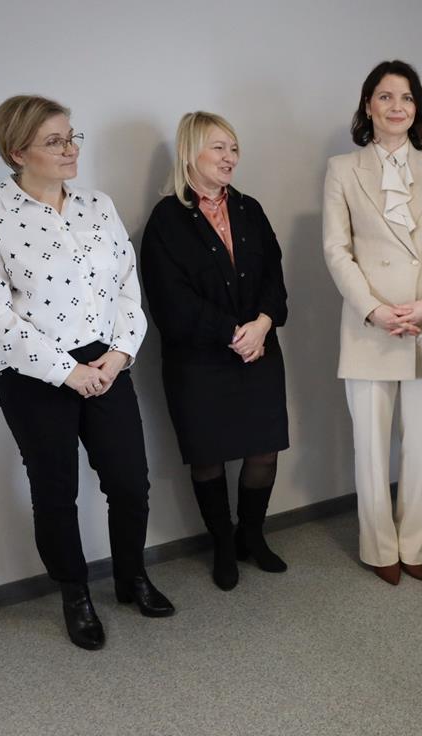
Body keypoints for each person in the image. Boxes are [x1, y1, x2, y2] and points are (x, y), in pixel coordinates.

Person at [0, 95, 173, 651]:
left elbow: (127, 288)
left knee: (129, 481)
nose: (70, 148)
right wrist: (66, 372)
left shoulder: (97, 205)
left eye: (72, 136)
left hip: (105, 361)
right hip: (32, 374)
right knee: (55, 492)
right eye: (54, 141)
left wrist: (120, 354)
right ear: (17, 152)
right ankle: (75, 594)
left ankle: (131, 577)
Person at [322, 60, 422, 585]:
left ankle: (415, 542)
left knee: (421, 446)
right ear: (368, 106)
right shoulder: (342, 169)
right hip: (371, 324)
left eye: (406, 97)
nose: (396, 106)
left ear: (417, 108)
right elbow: (336, 249)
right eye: (385, 96)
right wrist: (374, 309)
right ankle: (380, 546)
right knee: (370, 447)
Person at [140, 112, 290, 592]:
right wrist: (232, 332)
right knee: (208, 456)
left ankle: (252, 536)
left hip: (259, 348)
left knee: (264, 450)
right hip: (199, 360)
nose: (230, 158)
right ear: (190, 153)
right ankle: (223, 544)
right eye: (218, 148)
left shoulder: (250, 209)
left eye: (234, 148)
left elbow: (274, 278)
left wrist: (262, 325)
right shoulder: (166, 220)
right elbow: (170, 301)